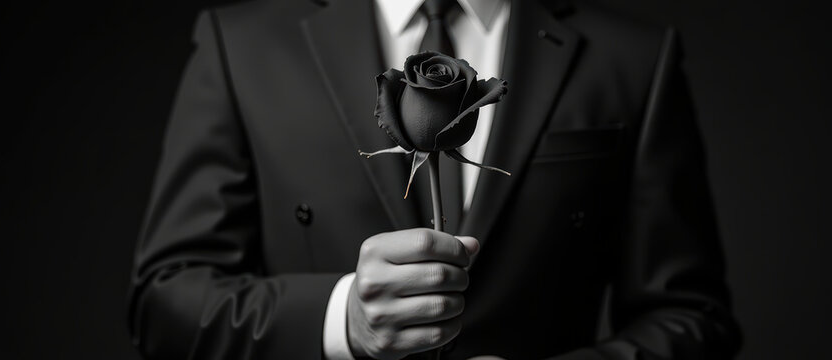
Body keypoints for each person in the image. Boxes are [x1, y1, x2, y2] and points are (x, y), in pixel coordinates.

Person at [127, 0, 742, 359]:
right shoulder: (244, 47)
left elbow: (694, 316)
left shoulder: (630, 58)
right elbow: (167, 301)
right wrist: (343, 319)